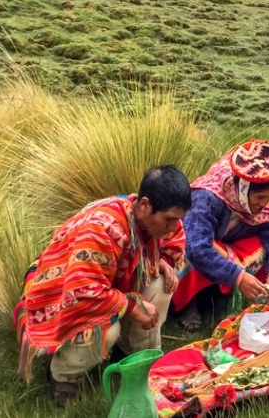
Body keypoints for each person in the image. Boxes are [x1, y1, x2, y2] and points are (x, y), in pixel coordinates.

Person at [14, 166, 192, 407]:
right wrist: (132, 305)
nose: (173, 227)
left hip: (108, 286)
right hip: (63, 292)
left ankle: (137, 355)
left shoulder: (155, 218)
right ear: (145, 206)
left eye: (177, 219)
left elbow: (174, 239)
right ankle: (63, 374)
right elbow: (84, 292)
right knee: (106, 330)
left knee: (162, 284)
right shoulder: (103, 228)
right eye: (169, 220)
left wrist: (164, 260)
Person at [173, 140, 269, 331]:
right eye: (259, 198)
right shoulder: (207, 198)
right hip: (197, 243)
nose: (264, 204)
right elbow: (196, 246)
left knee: (261, 247)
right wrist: (238, 276)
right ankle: (189, 302)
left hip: (225, 245)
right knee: (188, 250)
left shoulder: (265, 205)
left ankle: (241, 293)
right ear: (244, 191)